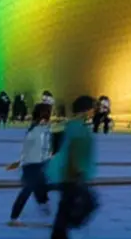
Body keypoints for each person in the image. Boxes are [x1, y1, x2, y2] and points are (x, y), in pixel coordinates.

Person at [48, 95, 99, 239]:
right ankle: (62, 229)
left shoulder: (75, 126)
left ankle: (60, 232)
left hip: (68, 174)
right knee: (88, 203)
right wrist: (79, 173)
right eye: (91, 108)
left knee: (64, 209)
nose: (93, 112)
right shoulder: (78, 128)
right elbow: (74, 152)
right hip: (72, 175)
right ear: (85, 110)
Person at [8, 103, 53, 226]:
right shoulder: (35, 129)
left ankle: (47, 211)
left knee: (41, 188)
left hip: (39, 163)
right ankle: (14, 217)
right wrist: (21, 163)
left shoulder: (43, 128)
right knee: (28, 190)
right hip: (32, 164)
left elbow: (45, 146)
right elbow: (29, 148)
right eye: (48, 113)